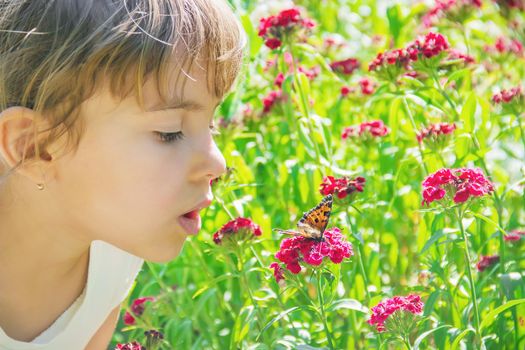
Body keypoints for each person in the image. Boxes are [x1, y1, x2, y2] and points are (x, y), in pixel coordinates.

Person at [0, 0, 246, 348]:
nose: (217, 163)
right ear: (35, 148)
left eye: (211, 125)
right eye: (170, 132)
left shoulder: (114, 255)